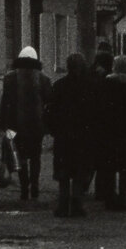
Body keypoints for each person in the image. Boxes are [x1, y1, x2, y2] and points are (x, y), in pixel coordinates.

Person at [46, 51, 97, 218]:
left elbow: (51, 110)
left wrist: (53, 129)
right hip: (83, 135)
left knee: (64, 171)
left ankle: (63, 204)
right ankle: (76, 204)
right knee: (79, 171)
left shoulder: (60, 85)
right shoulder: (90, 86)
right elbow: (94, 111)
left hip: (64, 135)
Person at [0, 44, 48, 203]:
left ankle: (24, 188)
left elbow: (4, 102)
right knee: (35, 157)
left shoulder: (10, 78)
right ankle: (34, 186)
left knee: (18, 156)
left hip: (14, 125)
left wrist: (3, 124)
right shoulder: (43, 78)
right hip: (36, 126)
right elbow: (49, 101)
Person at [100, 53, 126, 209]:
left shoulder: (107, 84)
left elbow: (101, 106)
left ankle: (110, 197)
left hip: (110, 130)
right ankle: (122, 196)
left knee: (110, 166)